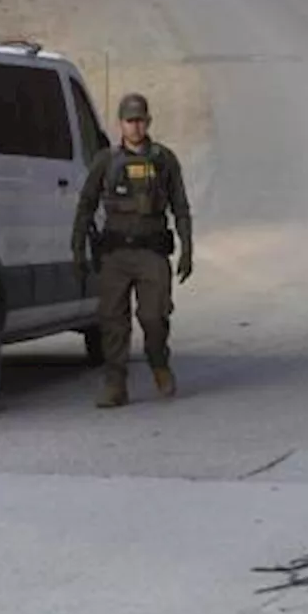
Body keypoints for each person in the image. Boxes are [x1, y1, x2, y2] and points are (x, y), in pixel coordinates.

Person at [71, 92, 194, 408]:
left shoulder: (163, 160)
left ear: (148, 122)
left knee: (154, 317)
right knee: (113, 321)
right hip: (115, 255)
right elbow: (86, 205)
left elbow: (180, 206)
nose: (135, 127)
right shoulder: (106, 161)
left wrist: (187, 248)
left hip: (152, 254)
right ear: (120, 124)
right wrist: (77, 247)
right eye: (129, 121)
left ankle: (159, 362)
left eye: (140, 121)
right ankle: (115, 384)